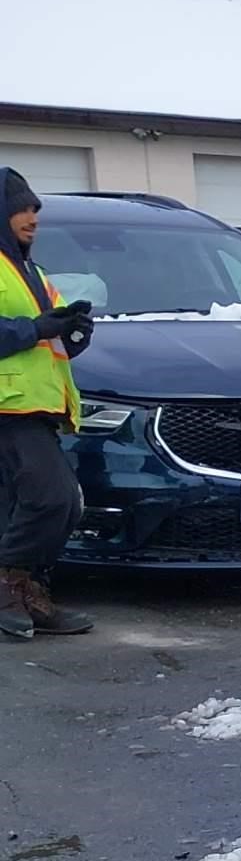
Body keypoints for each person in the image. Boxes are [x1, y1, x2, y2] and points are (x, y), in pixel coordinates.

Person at [0, 167, 93, 637]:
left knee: (60, 505)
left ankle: (27, 592)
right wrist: (36, 328)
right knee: (51, 499)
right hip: (6, 406)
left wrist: (72, 332)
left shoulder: (34, 273)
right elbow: (27, 331)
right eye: (23, 207)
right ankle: (9, 586)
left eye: (37, 209)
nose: (33, 217)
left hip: (39, 405)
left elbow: (50, 343)